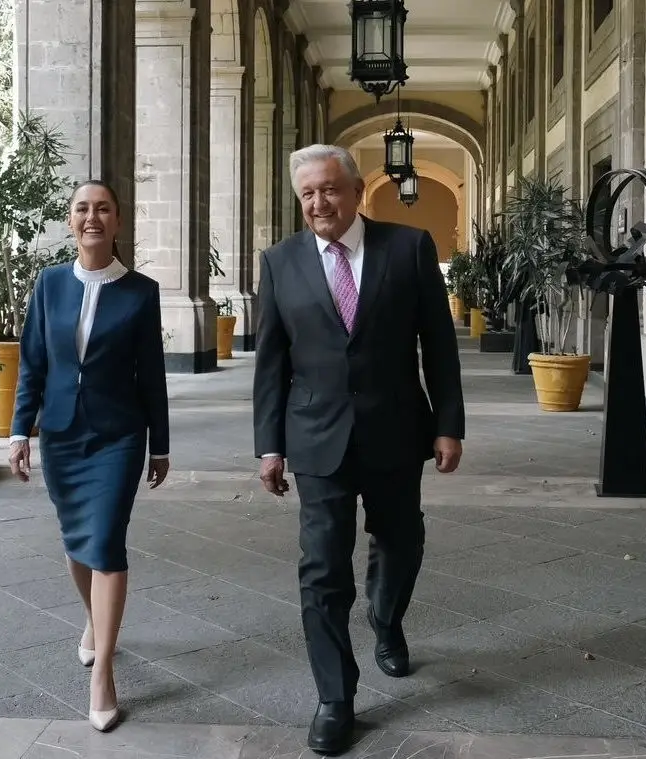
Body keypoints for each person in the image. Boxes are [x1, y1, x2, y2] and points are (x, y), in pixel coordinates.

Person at [253, 144, 466, 755]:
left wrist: (448, 424)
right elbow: (271, 362)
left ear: (355, 189)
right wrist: (269, 445)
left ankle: (386, 619)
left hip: (397, 429)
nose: (320, 203)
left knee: (401, 541)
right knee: (321, 568)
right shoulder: (280, 262)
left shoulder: (409, 248)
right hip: (316, 437)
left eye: (330, 190)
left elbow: (438, 345)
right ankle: (335, 697)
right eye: (308, 195)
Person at [8, 180, 171, 733]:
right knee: (77, 543)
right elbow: (32, 363)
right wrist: (18, 431)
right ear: (71, 220)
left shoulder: (141, 292)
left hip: (118, 436)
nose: (92, 217)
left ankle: (102, 670)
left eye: (103, 208)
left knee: (105, 543)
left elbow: (152, 375)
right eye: (82, 209)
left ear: (118, 222)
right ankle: (92, 621)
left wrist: (161, 443)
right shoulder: (49, 284)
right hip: (60, 434)